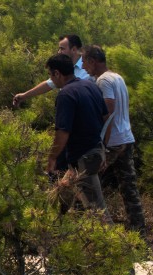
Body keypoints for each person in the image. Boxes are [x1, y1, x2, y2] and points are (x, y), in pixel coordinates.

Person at [83, 45, 146, 234]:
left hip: (113, 142)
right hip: (126, 137)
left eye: (85, 62)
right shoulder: (117, 77)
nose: (84, 67)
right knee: (129, 187)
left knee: (88, 182)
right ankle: (139, 230)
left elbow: (108, 111)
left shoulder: (103, 81)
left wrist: (99, 142)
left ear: (93, 61)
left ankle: (96, 230)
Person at [45, 53, 110, 216]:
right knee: (61, 191)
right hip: (91, 153)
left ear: (57, 73)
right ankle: (56, 228)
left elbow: (63, 132)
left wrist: (52, 157)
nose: (51, 80)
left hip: (84, 157)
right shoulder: (91, 86)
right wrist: (103, 149)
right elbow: (105, 118)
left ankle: (113, 240)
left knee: (97, 211)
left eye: (51, 75)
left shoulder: (66, 94)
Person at [12, 34, 89, 107]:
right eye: (59, 49)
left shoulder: (89, 69)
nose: (59, 52)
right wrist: (24, 96)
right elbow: (49, 84)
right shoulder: (63, 68)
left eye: (62, 49)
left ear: (74, 49)